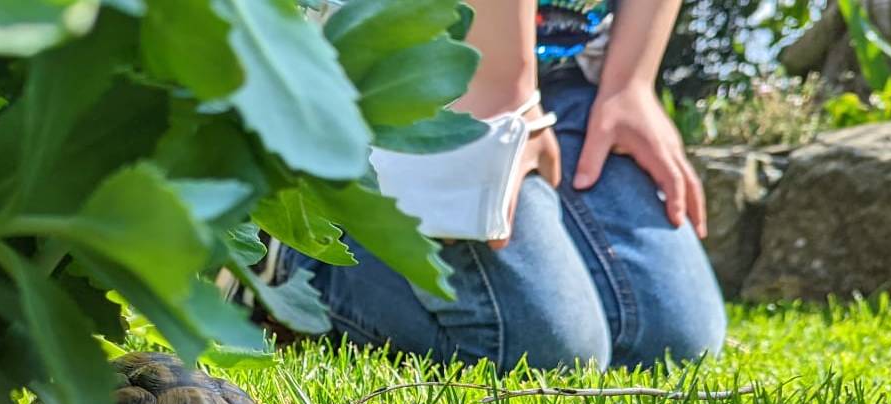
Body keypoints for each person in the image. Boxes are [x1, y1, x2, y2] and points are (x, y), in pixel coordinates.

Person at [280, 0, 727, 373]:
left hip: (572, 62)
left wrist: (630, 82)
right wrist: (503, 93)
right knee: (537, 352)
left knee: (671, 338)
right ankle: (294, 242)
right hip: (418, 47)